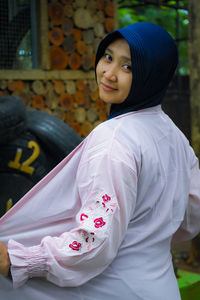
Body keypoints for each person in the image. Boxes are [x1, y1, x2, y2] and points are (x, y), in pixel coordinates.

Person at [0, 22, 200, 300]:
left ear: (152, 74)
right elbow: (191, 217)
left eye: (128, 67)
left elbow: (93, 242)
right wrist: (147, 239)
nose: (109, 73)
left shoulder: (113, 140)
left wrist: (19, 259)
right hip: (162, 286)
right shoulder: (175, 137)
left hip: (113, 290)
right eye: (107, 57)